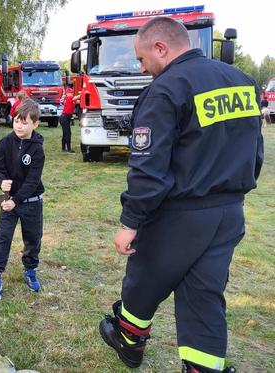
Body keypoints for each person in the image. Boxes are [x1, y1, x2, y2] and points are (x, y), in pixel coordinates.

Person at [99, 17, 263, 373]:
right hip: (229, 213)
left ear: (161, 48)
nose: (143, 69)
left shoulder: (166, 88)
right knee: (204, 296)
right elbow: (256, 151)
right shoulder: (242, 81)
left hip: (180, 213)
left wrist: (130, 221)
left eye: (142, 60)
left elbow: (148, 168)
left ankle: (128, 340)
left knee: (144, 277)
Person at [0, 98, 45, 301]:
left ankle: (30, 269)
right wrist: (1, 181)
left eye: (25, 122)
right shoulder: (3, 144)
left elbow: (32, 181)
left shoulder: (37, 149)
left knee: (33, 237)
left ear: (35, 124)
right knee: (3, 238)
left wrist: (17, 200)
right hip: (8, 202)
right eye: (17, 121)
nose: (20, 126)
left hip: (31, 202)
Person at [59, 86, 79, 153]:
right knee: (68, 133)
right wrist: (83, 93)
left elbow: (78, 101)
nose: (72, 93)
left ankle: (64, 148)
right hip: (64, 117)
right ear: (67, 93)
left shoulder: (71, 99)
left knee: (65, 133)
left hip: (66, 117)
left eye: (72, 92)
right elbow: (77, 97)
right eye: (71, 93)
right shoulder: (69, 98)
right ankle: (68, 149)